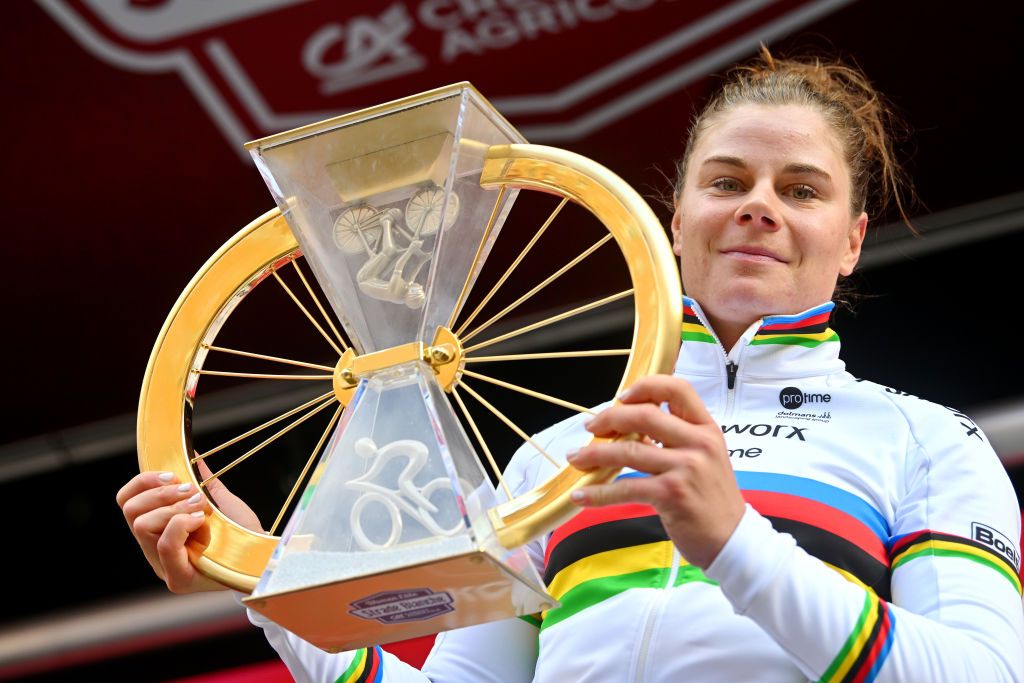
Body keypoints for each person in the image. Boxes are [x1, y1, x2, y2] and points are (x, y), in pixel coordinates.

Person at [118, 47, 1024, 682]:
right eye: (726, 181)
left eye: (801, 190)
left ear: (853, 239)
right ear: (672, 216)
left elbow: (980, 675)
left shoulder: (927, 441)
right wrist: (256, 576)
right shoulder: (550, 461)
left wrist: (734, 543)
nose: (758, 207)